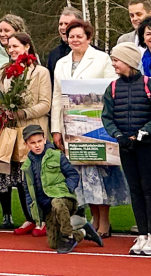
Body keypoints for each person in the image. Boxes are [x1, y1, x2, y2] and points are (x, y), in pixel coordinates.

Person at [49, 18, 122, 237]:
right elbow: (56, 98)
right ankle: (93, 219)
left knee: (101, 173)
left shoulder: (101, 59)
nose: (75, 40)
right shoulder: (61, 63)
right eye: (71, 36)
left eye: (79, 36)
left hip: (97, 125)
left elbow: (111, 90)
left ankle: (104, 222)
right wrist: (56, 129)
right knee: (83, 176)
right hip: (71, 127)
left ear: (88, 37)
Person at [103, 42, 151, 256]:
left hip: (148, 146)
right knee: (135, 190)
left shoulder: (150, 85)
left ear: (128, 61)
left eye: (116, 60)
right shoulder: (112, 88)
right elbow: (107, 117)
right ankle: (143, 234)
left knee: (149, 189)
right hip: (126, 147)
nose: (113, 64)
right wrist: (119, 136)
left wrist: (142, 133)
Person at [0, 32, 49, 234]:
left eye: (16, 46)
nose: (12, 50)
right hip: (12, 131)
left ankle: (43, 219)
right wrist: (5, 106)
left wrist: (23, 112)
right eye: (9, 47)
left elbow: (45, 104)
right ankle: (30, 218)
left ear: (27, 47)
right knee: (20, 177)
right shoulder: (6, 71)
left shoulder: (40, 72)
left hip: (33, 129)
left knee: (37, 177)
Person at [19, 124, 102, 253]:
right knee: (54, 244)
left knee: (57, 202)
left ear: (45, 139)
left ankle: (68, 236)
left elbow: (73, 175)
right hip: (47, 207)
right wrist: (33, 211)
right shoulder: (26, 166)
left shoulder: (57, 155)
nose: (37, 145)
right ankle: (84, 231)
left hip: (64, 200)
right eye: (33, 143)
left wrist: (67, 189)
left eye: (40, 141)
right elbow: (28, 190)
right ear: (26, 144)